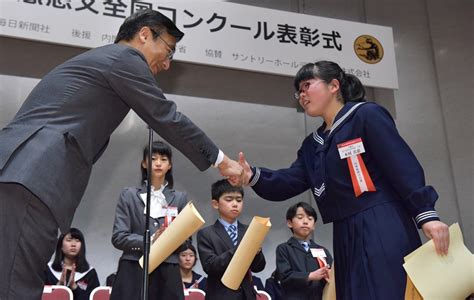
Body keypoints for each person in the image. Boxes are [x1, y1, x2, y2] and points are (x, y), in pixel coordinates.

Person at [0, 9, 242, 299]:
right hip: (33, 175)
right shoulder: (125, 59)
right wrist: (222, 161)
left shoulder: (103, 61)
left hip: (17, 172)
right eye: (168, 51)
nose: (166, 64)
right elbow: (165, 116)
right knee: (16, 284)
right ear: (143, 35)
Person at [238, 60, 450, 300]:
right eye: (299, 91)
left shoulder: (366, 115)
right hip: (344, 230)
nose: (302, 94)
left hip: (381, 220)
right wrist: (251, 175)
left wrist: (426, 214)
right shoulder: (312, 144)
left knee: (388, 290)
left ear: (334, 86)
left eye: (307, 85)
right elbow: (288, 181)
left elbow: (401, 165)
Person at [111, 141, 189, 300]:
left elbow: (187, 241)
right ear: (144, 163)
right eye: (153, 158)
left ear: (170, 165)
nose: (158, 163)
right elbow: (119, 237)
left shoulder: (180, 198)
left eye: (164, 159)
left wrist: (168, 239)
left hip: (168, 271)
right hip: (134, 267)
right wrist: (151, 239)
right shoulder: (129, 195)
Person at [197, 179, 266, 299]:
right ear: (215, 204)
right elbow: (210, 267)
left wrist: (257, 252)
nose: (235, 204)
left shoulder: (249, 230)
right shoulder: (206, 233)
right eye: (229, 200)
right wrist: (241, 249)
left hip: (246, 294)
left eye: (239, 200)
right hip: (220, 295)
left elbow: (258, 267)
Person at [276, 202, 332, 300]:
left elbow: (332, 274)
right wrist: (310, 276)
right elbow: (285, 276)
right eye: (300, 217)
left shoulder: (322, 250)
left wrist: (329, 273)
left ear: (314, 225)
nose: (305, 221)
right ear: (289, 223)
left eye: (310, 219)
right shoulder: (284, 248)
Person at [44, 228, 100, 300]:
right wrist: (58, 287)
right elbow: (40, 295)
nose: (73, 244)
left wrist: (75, 287)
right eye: (69, 240)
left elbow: (94, 297)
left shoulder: (90, 273)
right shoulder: (48, 270)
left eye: (77, 241)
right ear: (61, 245)